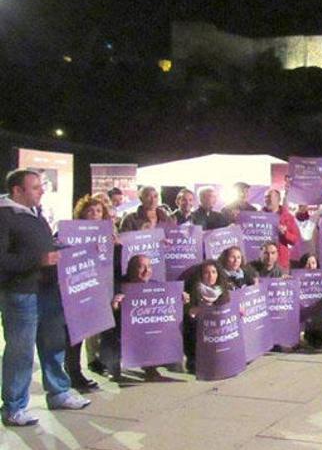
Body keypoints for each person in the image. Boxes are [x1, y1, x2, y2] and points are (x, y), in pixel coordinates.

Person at [1, 169, 91, 426]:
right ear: (18, 190)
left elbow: (45, 247)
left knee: (53, 345)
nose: (42, 190)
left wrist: (76, 249)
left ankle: (59, 392)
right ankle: (14, 407)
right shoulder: (5, 216)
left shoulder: (34, 214)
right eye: (36, 187)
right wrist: (38, 260)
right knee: (21, 351)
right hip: (21, 293)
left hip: (48, 290)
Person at [103, 255, 189, 382]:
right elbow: (104, 317)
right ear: (130, 269)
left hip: (147, 332)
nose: (146, 270)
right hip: (121, 333)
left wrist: (181, 298)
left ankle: (151, 367)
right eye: (141, 267)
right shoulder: (118, 288)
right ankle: (113, 368)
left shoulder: (156, 286)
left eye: (149, 266)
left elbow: (171, 306)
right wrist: (114, 306)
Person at [63, 195, 116, 390]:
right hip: (75, 287)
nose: (95, 214)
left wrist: (115, 245)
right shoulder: (70, 231)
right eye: (90, 211)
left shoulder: (108, 233)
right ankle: (73, 372)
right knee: (73, 334)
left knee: (88, 331)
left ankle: (79, 370)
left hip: (97, 288)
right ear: (82, 213)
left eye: (99, 211)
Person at [183, 260, 231, 373]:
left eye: (214, 272)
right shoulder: (192, 291)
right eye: (207, 272)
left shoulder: (223, 291)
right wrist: (193, 311)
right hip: (198, 334)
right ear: (201, 275)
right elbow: (188, 314)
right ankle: (194, 361)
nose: (211, 276)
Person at [263, 189, 300, 271]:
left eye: (269, 197)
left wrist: (285, 233)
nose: (266, 200)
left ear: (278, 199)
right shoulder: (258, 215)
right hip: (263, 263)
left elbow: (295, 239)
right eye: (265, 197)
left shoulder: (287, 217)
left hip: (281, 263)